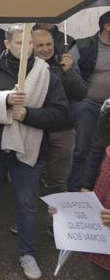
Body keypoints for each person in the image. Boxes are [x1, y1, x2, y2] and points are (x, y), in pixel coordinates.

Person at [0, 24, 71, 280]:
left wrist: (29, 115)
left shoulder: (48, 75)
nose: (26, 49)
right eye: (19, 43)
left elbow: (61, 115)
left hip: (29, 148)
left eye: (30, 44)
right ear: (7, 44)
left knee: (26, 203)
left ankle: (27, 253)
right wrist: (5, 100)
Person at [32, 29, 85, 218]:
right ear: (31, 46)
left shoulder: (64, 62)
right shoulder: (25, 66)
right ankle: (28, 222)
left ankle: (56, 224)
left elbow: (80, 94)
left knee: (58, 181)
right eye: (40, 45)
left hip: (63, 130)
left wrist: (69, 71)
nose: (46, 49)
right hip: (34, 128)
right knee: (29, 180)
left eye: (49, 45)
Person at [69, 10, 110, 191]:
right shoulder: (83, 45)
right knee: (82, 149)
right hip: (89, 104)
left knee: (104, 153)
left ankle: (99, 192)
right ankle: (76, 191)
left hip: (109, 107)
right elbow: (70, 70)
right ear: (107, 27)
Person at [77, 99, 110, 274]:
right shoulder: (108, 107)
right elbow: (97, 149)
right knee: (99, 270)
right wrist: (86, 186)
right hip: (102, 214)